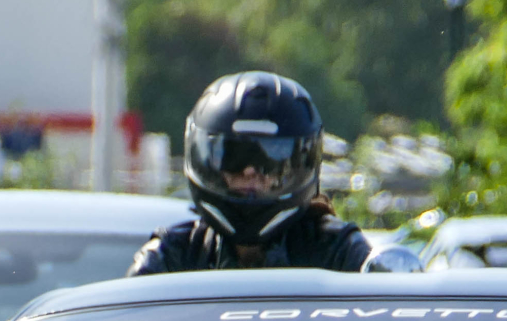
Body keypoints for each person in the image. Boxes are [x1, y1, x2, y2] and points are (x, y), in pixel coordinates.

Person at [130, 72, 372, 274]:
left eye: (269, 161)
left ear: (300, 165)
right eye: (234, 157)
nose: (250, 172)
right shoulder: (172, 257)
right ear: (207, 162)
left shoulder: (338, 252)